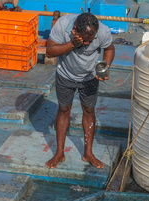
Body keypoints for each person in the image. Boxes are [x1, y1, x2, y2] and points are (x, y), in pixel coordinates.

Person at [44, 12, 115, 169]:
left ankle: (88, 153)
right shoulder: (62, 25)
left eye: (91, 41)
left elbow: (109, 49)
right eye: (85, 41)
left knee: (89, 110)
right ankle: (59, 153)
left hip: (90, 77)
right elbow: (49, 52)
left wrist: (104, 68)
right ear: (75, 30)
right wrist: (72, 44)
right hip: (65, 74)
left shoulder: (102, 31)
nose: (88, 44)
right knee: (63, 109)